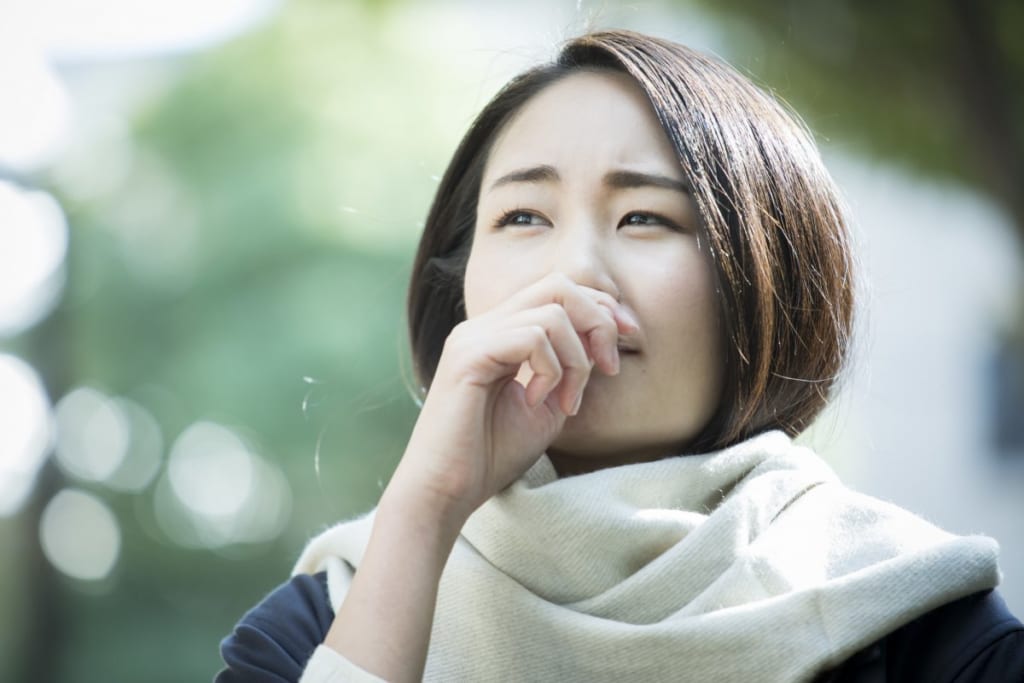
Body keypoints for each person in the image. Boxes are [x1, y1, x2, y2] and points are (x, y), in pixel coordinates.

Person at [216, 29, 1023, 682]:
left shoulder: (918, 625)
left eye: (644, 218)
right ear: (459, 290)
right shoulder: (325, 625)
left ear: (764, 279)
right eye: (524, 217)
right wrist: (424, 510)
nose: (574, 273)